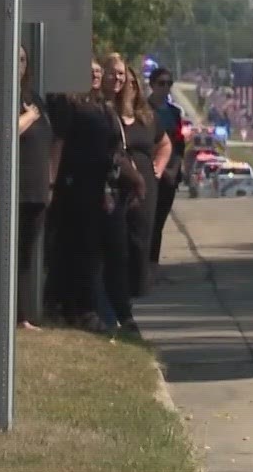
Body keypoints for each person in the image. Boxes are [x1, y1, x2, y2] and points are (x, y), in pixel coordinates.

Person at [0, 43, 56, 330]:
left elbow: (48, 141)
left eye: (23, 59)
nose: (18, 64)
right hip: (8, 185)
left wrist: (50, 181)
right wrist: (29, 117)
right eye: (13, 58)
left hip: (36, 187)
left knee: (24, 254)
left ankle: (21, 316)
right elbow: (3, 133)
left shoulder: (34, 97)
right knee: (0, 251)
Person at [50, 58, 128, 331]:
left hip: (99, 186)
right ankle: (71, 307)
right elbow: (58, 143)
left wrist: (109, 187)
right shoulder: (69, 104)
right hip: (74, 184)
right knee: (74, 248)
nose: (95, 75)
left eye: (98, 71)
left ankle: (89, 307)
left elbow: (114, 150)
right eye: (90, 70)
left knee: (93, 251)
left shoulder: (103, 108)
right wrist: (52, 182)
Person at [113, 70, 170, 302]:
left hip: (146, 184)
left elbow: (165, 144)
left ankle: (138, 288)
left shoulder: (147, 117)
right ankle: (119, 290)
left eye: (134, 85)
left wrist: (158, 166)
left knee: (141, 236)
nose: (130, 89)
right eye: (127, 84)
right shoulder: (110, 114)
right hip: (118, 183)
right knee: (119, 237)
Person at [146, 67, 188, 278]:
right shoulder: (144, 109)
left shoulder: (174, 113)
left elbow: (180, 145)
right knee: (147, 220)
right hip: (150, 173)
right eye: (161, 83)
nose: (165, 88)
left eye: (168, 84)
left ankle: (153, 265)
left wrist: (174, 169)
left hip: (170, 176)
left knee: (159, 221)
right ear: (152, 85)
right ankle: (142, 265)